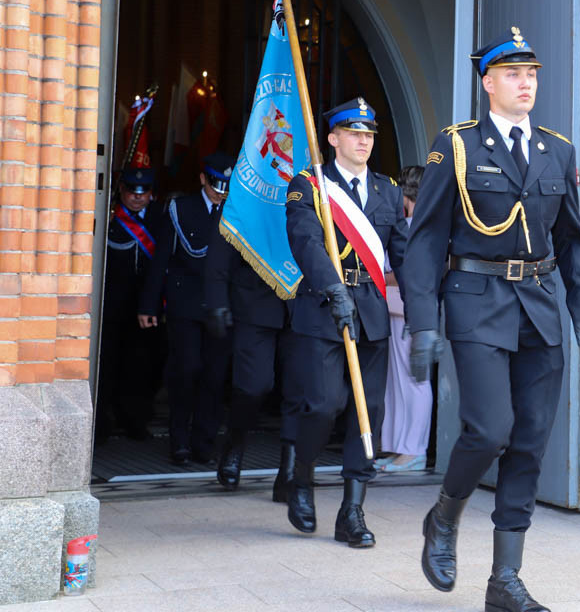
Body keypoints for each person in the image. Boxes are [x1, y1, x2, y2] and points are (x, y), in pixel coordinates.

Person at [405, 27, 580, 612]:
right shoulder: (457, 146)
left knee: (530, 442)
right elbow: (425, 239)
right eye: (513, 74)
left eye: (531, 74)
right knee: (491, 430)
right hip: (476, 299)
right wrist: (423, 320)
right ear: (487, 82)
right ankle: (444, 516)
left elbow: (573, 240)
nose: (525, 83)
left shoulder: (557, 150)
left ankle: (505, 580)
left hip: (538, 305)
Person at [283, 97, 408, 548]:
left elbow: (403, 253)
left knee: (367, 412)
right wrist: (333, 289)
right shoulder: (310, 185)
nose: (363, 141)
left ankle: (352, 511)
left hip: (371, 311)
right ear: (333, 139)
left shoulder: (388, 190)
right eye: (354, 133)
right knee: (322, 404)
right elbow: (306, 241)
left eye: (369, 134)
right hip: (322, 308)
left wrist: (422, 309)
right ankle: (300, 476)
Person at [138, 152, 234, 465]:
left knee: (214, 376)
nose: (220, 192)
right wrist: (149, 304)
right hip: (186, 304)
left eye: (226, 186)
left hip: (222, 305)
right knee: (187, 370)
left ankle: (204, 443)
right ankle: (179, 441)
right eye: (215, 184)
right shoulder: (181, 208)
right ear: (203, 179)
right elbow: (161, 259)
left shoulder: (236, 210)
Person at [205, 223, 299, 500]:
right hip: (254, 301)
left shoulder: (315, 195)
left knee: (300, 390)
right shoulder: (249, 195)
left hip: (302, 305)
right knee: (253, 386)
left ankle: (290, 471)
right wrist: (216, 300)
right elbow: (222, 246)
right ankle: (234, 444)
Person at [97, 167, 165, 443]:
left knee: (141, 367)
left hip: (146, 306)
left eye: (143, 192)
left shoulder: (161, 217)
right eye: (132, 191)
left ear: (151, 193)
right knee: (107, 365)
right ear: (122, 191)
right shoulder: (108, 216)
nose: (137, 197)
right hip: (112, 305)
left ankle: (135, 420)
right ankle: (101, 423)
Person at [377, 165, 432, 472]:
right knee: (398, 382)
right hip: (398, 309)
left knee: (413, 380)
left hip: (408, 309)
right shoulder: (416, 224)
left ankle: (413, 450)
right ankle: (400, 446)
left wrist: (378, 276)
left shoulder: (415, 226)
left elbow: (406, 273)